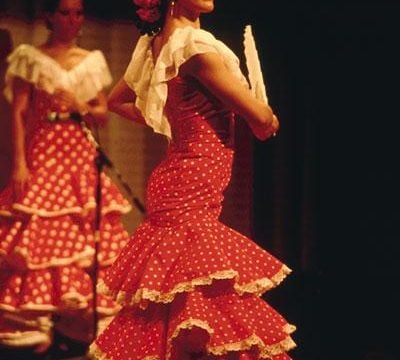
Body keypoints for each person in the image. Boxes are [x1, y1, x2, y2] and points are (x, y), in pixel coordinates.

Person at [89, 0, 296, 359]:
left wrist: (176, 121)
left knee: (179, 294)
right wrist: (267, 119)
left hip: (179, 175)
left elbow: (117, 101)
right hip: (192, 178)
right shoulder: (195, 50)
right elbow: (260, 120)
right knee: (200, 291)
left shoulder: (159, 46)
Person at [0, 0, 131, 356]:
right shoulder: (31, 57)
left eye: (78, 13)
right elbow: (18, 112)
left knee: (83, 231)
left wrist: (81, 105)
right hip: (44, 147)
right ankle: (39, 322)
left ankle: (81, 326)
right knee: (39, 230)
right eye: (64, 12)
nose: (72, 20)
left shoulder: (89, 61)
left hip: (79, 151)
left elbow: (102, 115)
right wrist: (19, 163)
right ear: (48, 16)